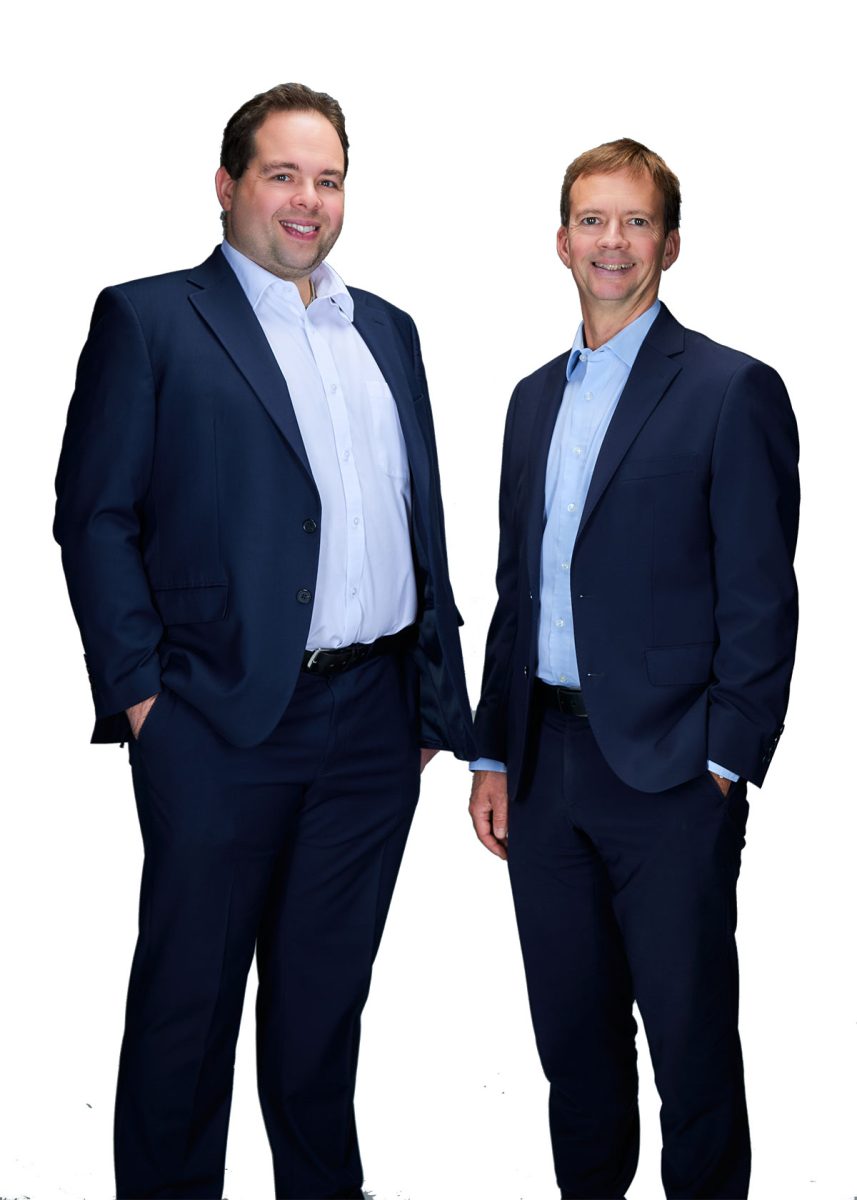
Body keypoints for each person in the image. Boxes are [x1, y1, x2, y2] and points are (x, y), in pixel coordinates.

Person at [54, 81, 475, 1200]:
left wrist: (432, 704)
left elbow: (418, 519)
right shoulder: (151, 320)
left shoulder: (386, 329)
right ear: (227, 184)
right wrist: (144, 700)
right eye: (282, 174)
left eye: (327, 179)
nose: (307, 199)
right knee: (187, 1014)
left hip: (374, 725)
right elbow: (93, 516)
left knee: (322, 1019)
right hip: (216, 721)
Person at [468, 139, 799, 1199]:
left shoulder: (730, 390)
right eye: (592, 220)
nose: (612, 241)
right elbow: (517, 590)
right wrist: (490, 752)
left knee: (691, 1050)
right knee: (574, 1051)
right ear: (560, 241)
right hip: (542, 770)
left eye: (635, 221)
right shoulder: (531, 400)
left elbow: (760, 598)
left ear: (670, 242)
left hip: (670, 777)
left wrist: (723, 765)